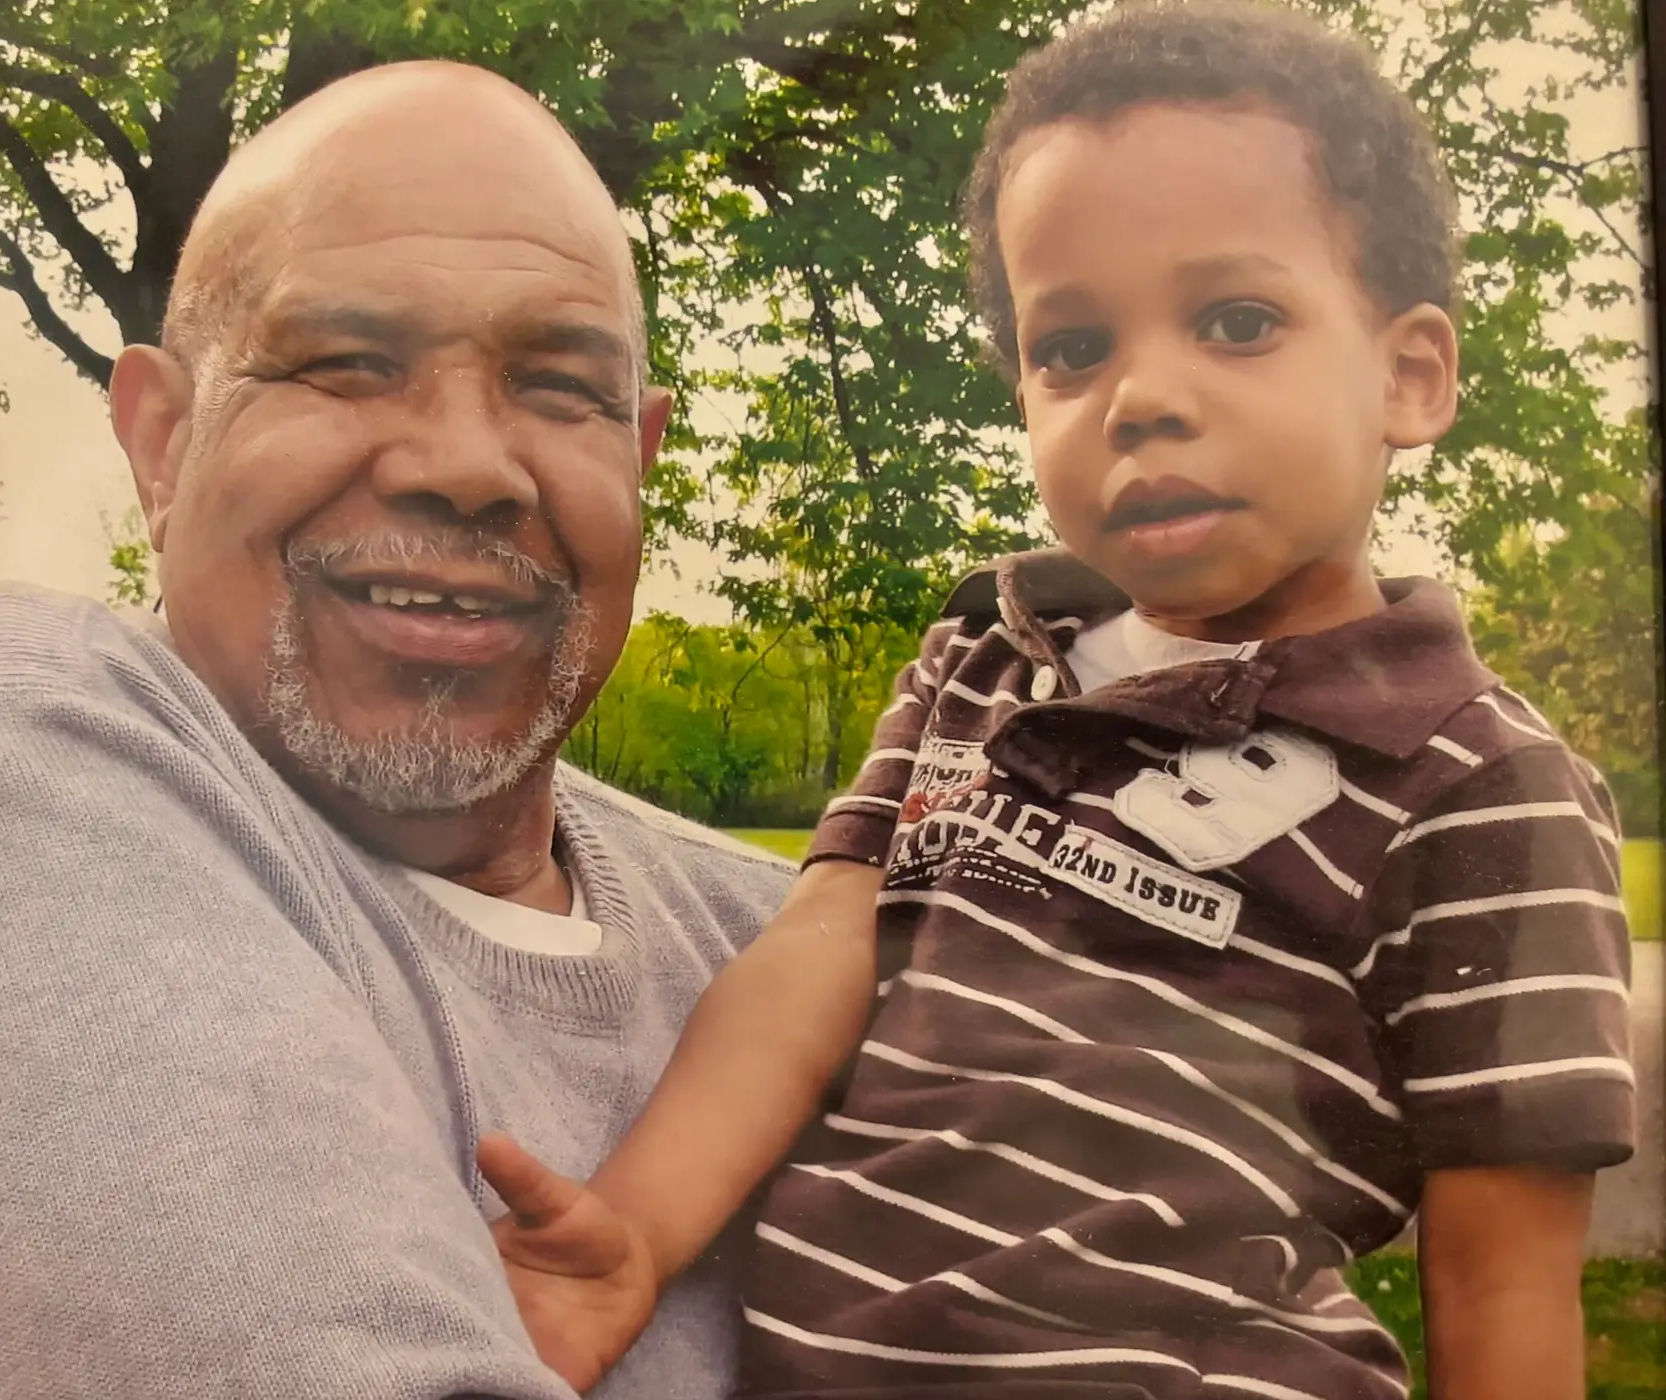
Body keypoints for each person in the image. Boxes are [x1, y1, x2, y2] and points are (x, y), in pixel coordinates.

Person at [477, 6, 1637, 1399]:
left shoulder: (1477, 784)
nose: (1141, 397)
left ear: (1410, 373)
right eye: (1072, 348)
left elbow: (1501, 1284)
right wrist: (640, 1232)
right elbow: (814, 964)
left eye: (1237, 321)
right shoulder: (981, 663)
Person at [0, 62, 794, 1400]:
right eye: (348, 365)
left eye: (560, 388)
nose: (470, 465)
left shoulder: (799, 946)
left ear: (640, 457)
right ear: (161, 442)